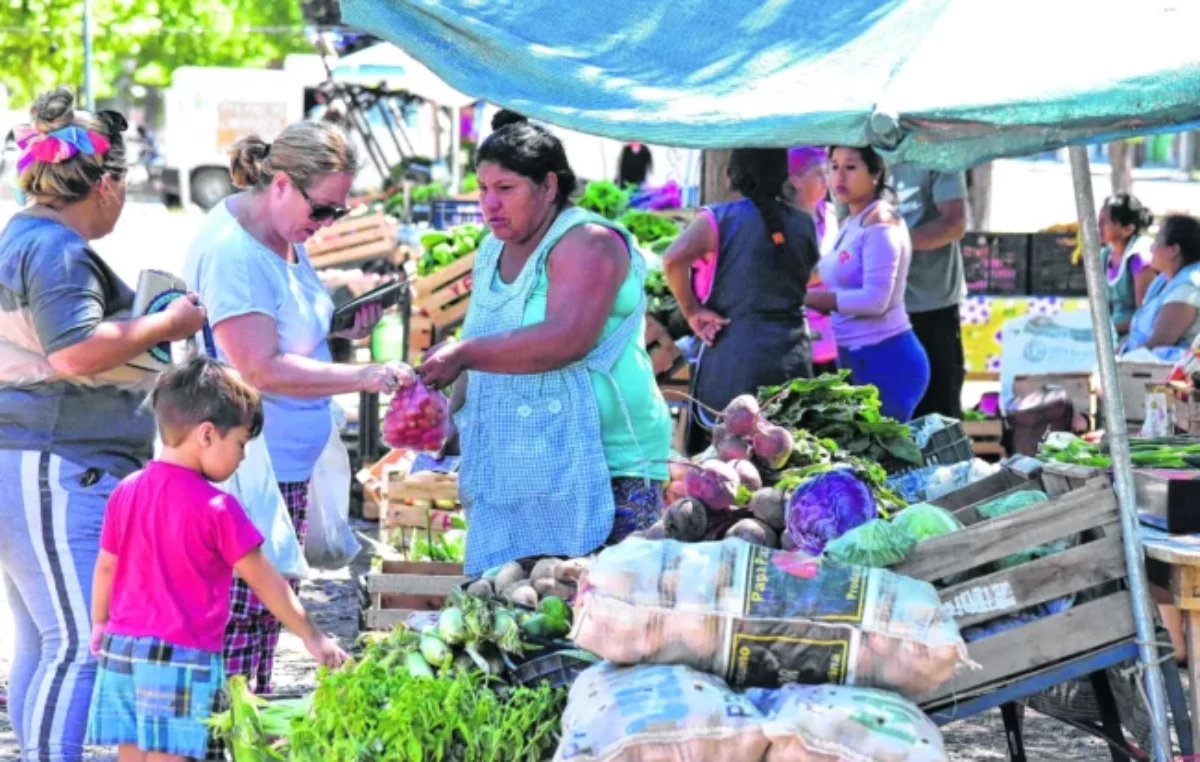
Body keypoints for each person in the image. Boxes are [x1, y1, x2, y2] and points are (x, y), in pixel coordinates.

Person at [0, 88, 208, 762]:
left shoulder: (24, 236)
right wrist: (169, 323)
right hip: (57, 459)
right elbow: (76, 351)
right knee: (80, 642)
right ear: (108, 184)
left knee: (43, 638)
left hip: (35, 457)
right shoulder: (57, 250)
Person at [183, 121, 412, 701]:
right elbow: (258, 366)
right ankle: (221, 742)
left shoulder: (284, 234)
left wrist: (337, 327)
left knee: (263, 617)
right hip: (243, 470)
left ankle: (243, 732)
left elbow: (283, 331)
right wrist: (364, 375)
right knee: (239, 622)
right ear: (281, 183)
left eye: (336, 212)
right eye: (324, 209)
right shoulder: (235, 252)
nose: (327, 222)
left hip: (281, 465)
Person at [418, 111, 672, 575]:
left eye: (506, 189)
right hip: (523, 461)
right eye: (483, 189)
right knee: (520, 609)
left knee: (603, 613)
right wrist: (449, 425)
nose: (489, 204)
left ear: (549, 186)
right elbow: (479, 338)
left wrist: (464, 354)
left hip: (607, 462)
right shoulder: (492, 248)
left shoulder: (589, 242)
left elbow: (567, 337)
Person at [85, 357, 346, 762]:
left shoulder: (127, 490)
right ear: (207, 434)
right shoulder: (218, 508)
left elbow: (106, 565)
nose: (242, 457)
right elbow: (267, 582)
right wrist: (313, 636)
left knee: (131, 755)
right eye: (241, 443)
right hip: (179, 653)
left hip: (123, 647)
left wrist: (100, 622)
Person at [662, 148, 819, 450]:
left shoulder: (717, 220)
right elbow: (808, 275)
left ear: (730, 176)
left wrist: (692, 310)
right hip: (791, 364)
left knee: (727, 469)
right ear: (784, 177)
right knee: (786, 462)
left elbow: (671, 260)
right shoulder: (804, 223)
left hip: (732, 365)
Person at [807, 147, 929, 422]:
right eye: (834, 166)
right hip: (853, 357)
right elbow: (826, 273)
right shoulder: (852, 222)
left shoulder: (881, 223)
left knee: (885, 460)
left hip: (886, 358)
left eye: (850, 168)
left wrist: (811, 300)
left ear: (875, 173)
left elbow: (876, 300)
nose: (839, 176)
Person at [890, 162, 968, 419]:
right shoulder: (854, 147)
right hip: (877, 309)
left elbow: (955, 223)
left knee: (938, 418)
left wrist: (889, 242)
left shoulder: (937, 151)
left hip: (932, 305)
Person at [786, 145, 840, 374]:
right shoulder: (783, 222)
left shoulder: (833, 214)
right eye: (819, 173)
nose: (826, 180)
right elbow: (787, 279)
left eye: (828, 172)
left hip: (838, 337)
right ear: (796, 180)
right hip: (798, 337)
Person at [1123, 215, 1200, 357]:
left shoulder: (1187, 290)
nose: (1151, 247)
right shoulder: (1163, 281)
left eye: (1157, 240)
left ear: (1173, 250)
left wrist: (1119, 360)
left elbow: (1159, 343)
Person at [1099, 193, 1156, 335]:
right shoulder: (1106, 255)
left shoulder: (1140, 259)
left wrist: (1108, 329)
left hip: (1134, 336)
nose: (1098, 226)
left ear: (1127, 229)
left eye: (1105, 222)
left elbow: (1145, 317)